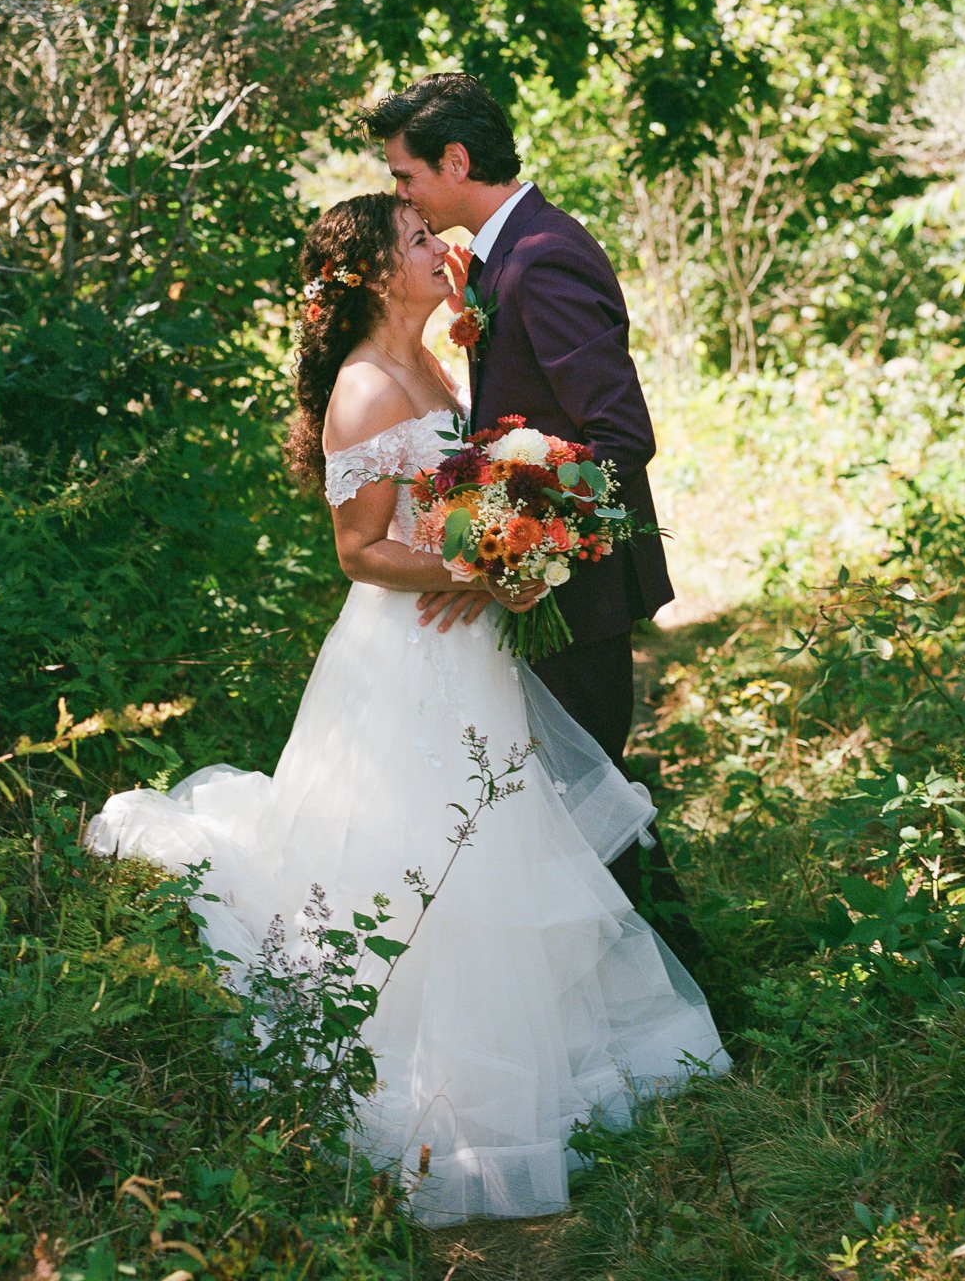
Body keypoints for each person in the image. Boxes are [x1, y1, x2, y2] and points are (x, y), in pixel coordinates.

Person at [85, 187, 728, 1228]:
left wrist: (512, 553)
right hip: (405, 656)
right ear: (381, 272)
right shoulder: (366, 387)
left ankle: (540, 1062)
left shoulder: (435, 359)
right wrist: (475, 570)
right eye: (420, 239)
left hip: (469, 640)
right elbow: (357, 548)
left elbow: (457, 496)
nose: (442, 246)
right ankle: (446, 1096)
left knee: (502, 832)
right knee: (426, 850)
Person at [362, 72, 706, 965]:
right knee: (571, 786)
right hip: (543, 577)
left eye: (406, 178)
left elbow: (619, 438)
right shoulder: (501, 256)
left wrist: (521, 550)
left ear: (456, 160)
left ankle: (665, 981)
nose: (405, 197)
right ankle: (642, 978)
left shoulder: (541, 256)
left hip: (575, 581)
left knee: (592, 790)